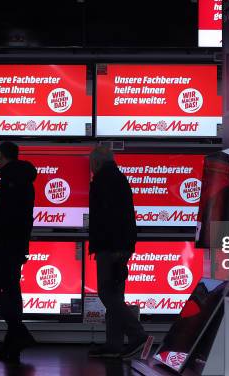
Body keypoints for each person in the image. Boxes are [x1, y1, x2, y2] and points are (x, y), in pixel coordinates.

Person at [88, 146, 148, 358]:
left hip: (111, 247)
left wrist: (110, 248)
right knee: (115, 293)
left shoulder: (103, 181)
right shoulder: (118, 178)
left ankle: (138, 334)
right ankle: (113, 344)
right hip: (120, 245)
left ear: (96, 162)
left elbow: (105, 219)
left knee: (106, 292)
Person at [0, 141, 37, 363]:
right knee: (13, 294)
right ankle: (11, 346)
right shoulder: (25, 180)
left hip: (5, 246)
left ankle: (20, 332)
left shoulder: (8, 181)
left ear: (1, 156)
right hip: (17, 246)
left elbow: (5, 217)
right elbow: (23, 218)